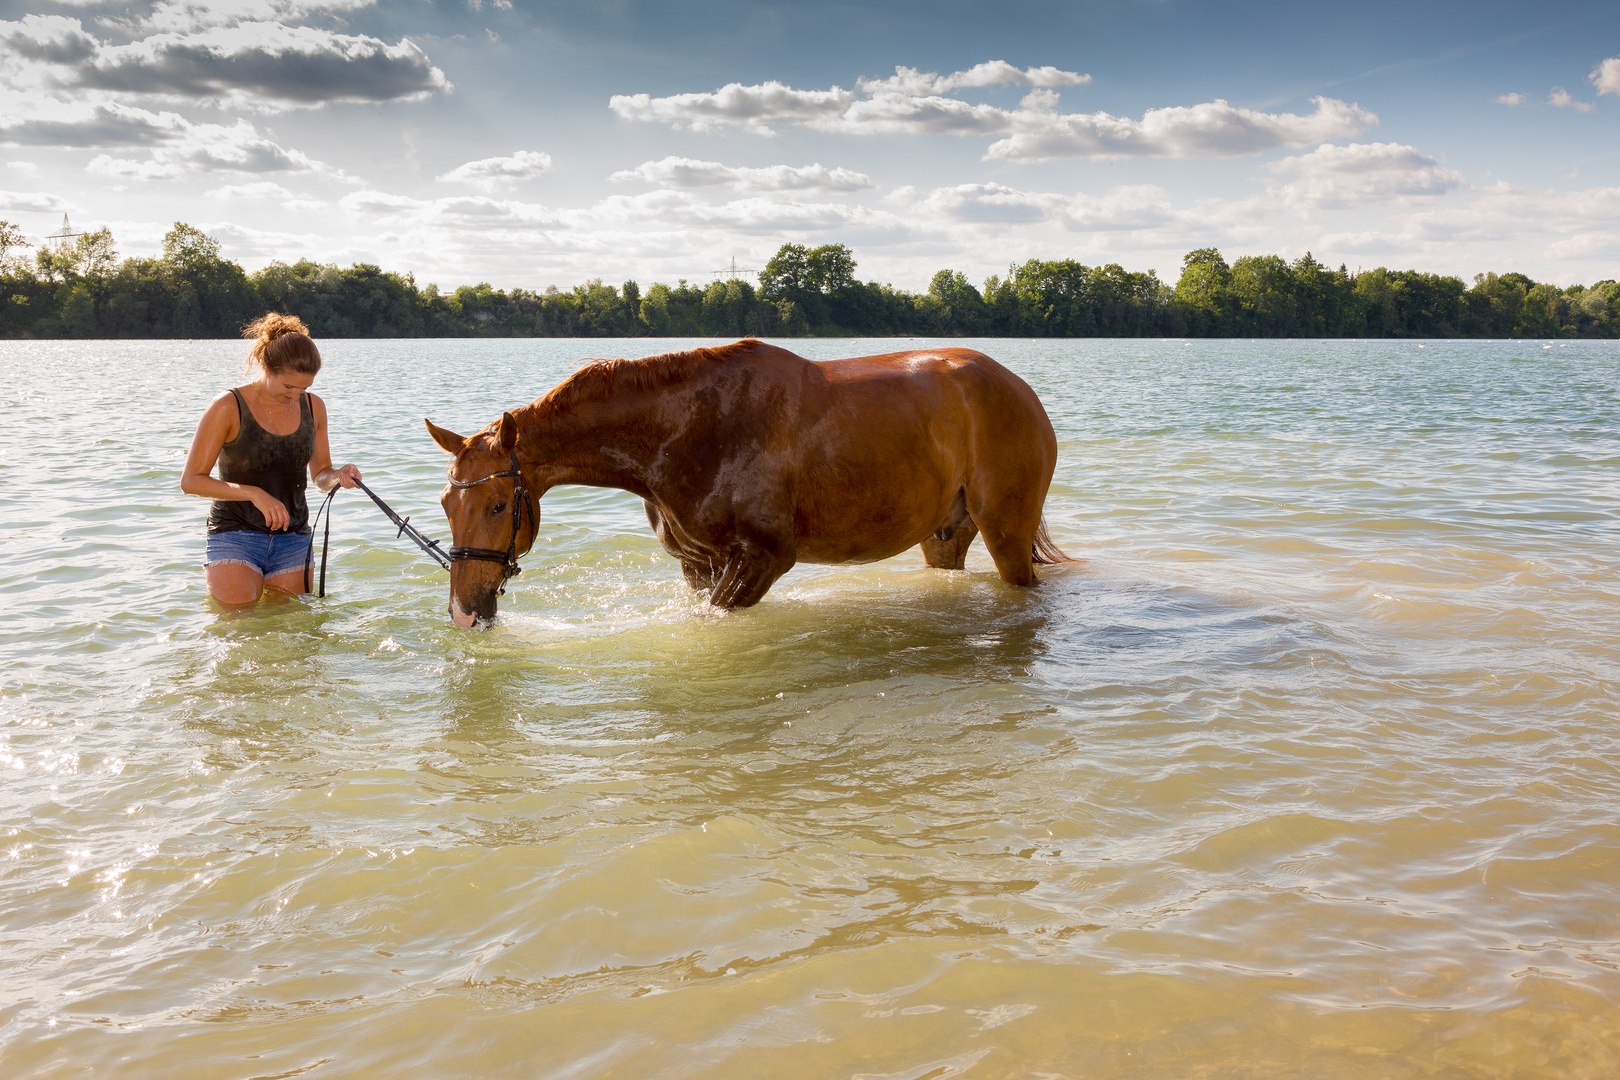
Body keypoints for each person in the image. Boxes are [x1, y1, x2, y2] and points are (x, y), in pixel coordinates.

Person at [181, 313, 361, 605]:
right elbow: (190, 482)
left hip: (294, 538)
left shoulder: (314, 408)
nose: (296, 396)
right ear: (266, 367)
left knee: (289, 633)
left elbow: (320, 475)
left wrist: (338, 475)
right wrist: (253, 494)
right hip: (234, 535)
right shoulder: (227, 406)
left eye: (304, 388)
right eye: (288, 387)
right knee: (240, 631)